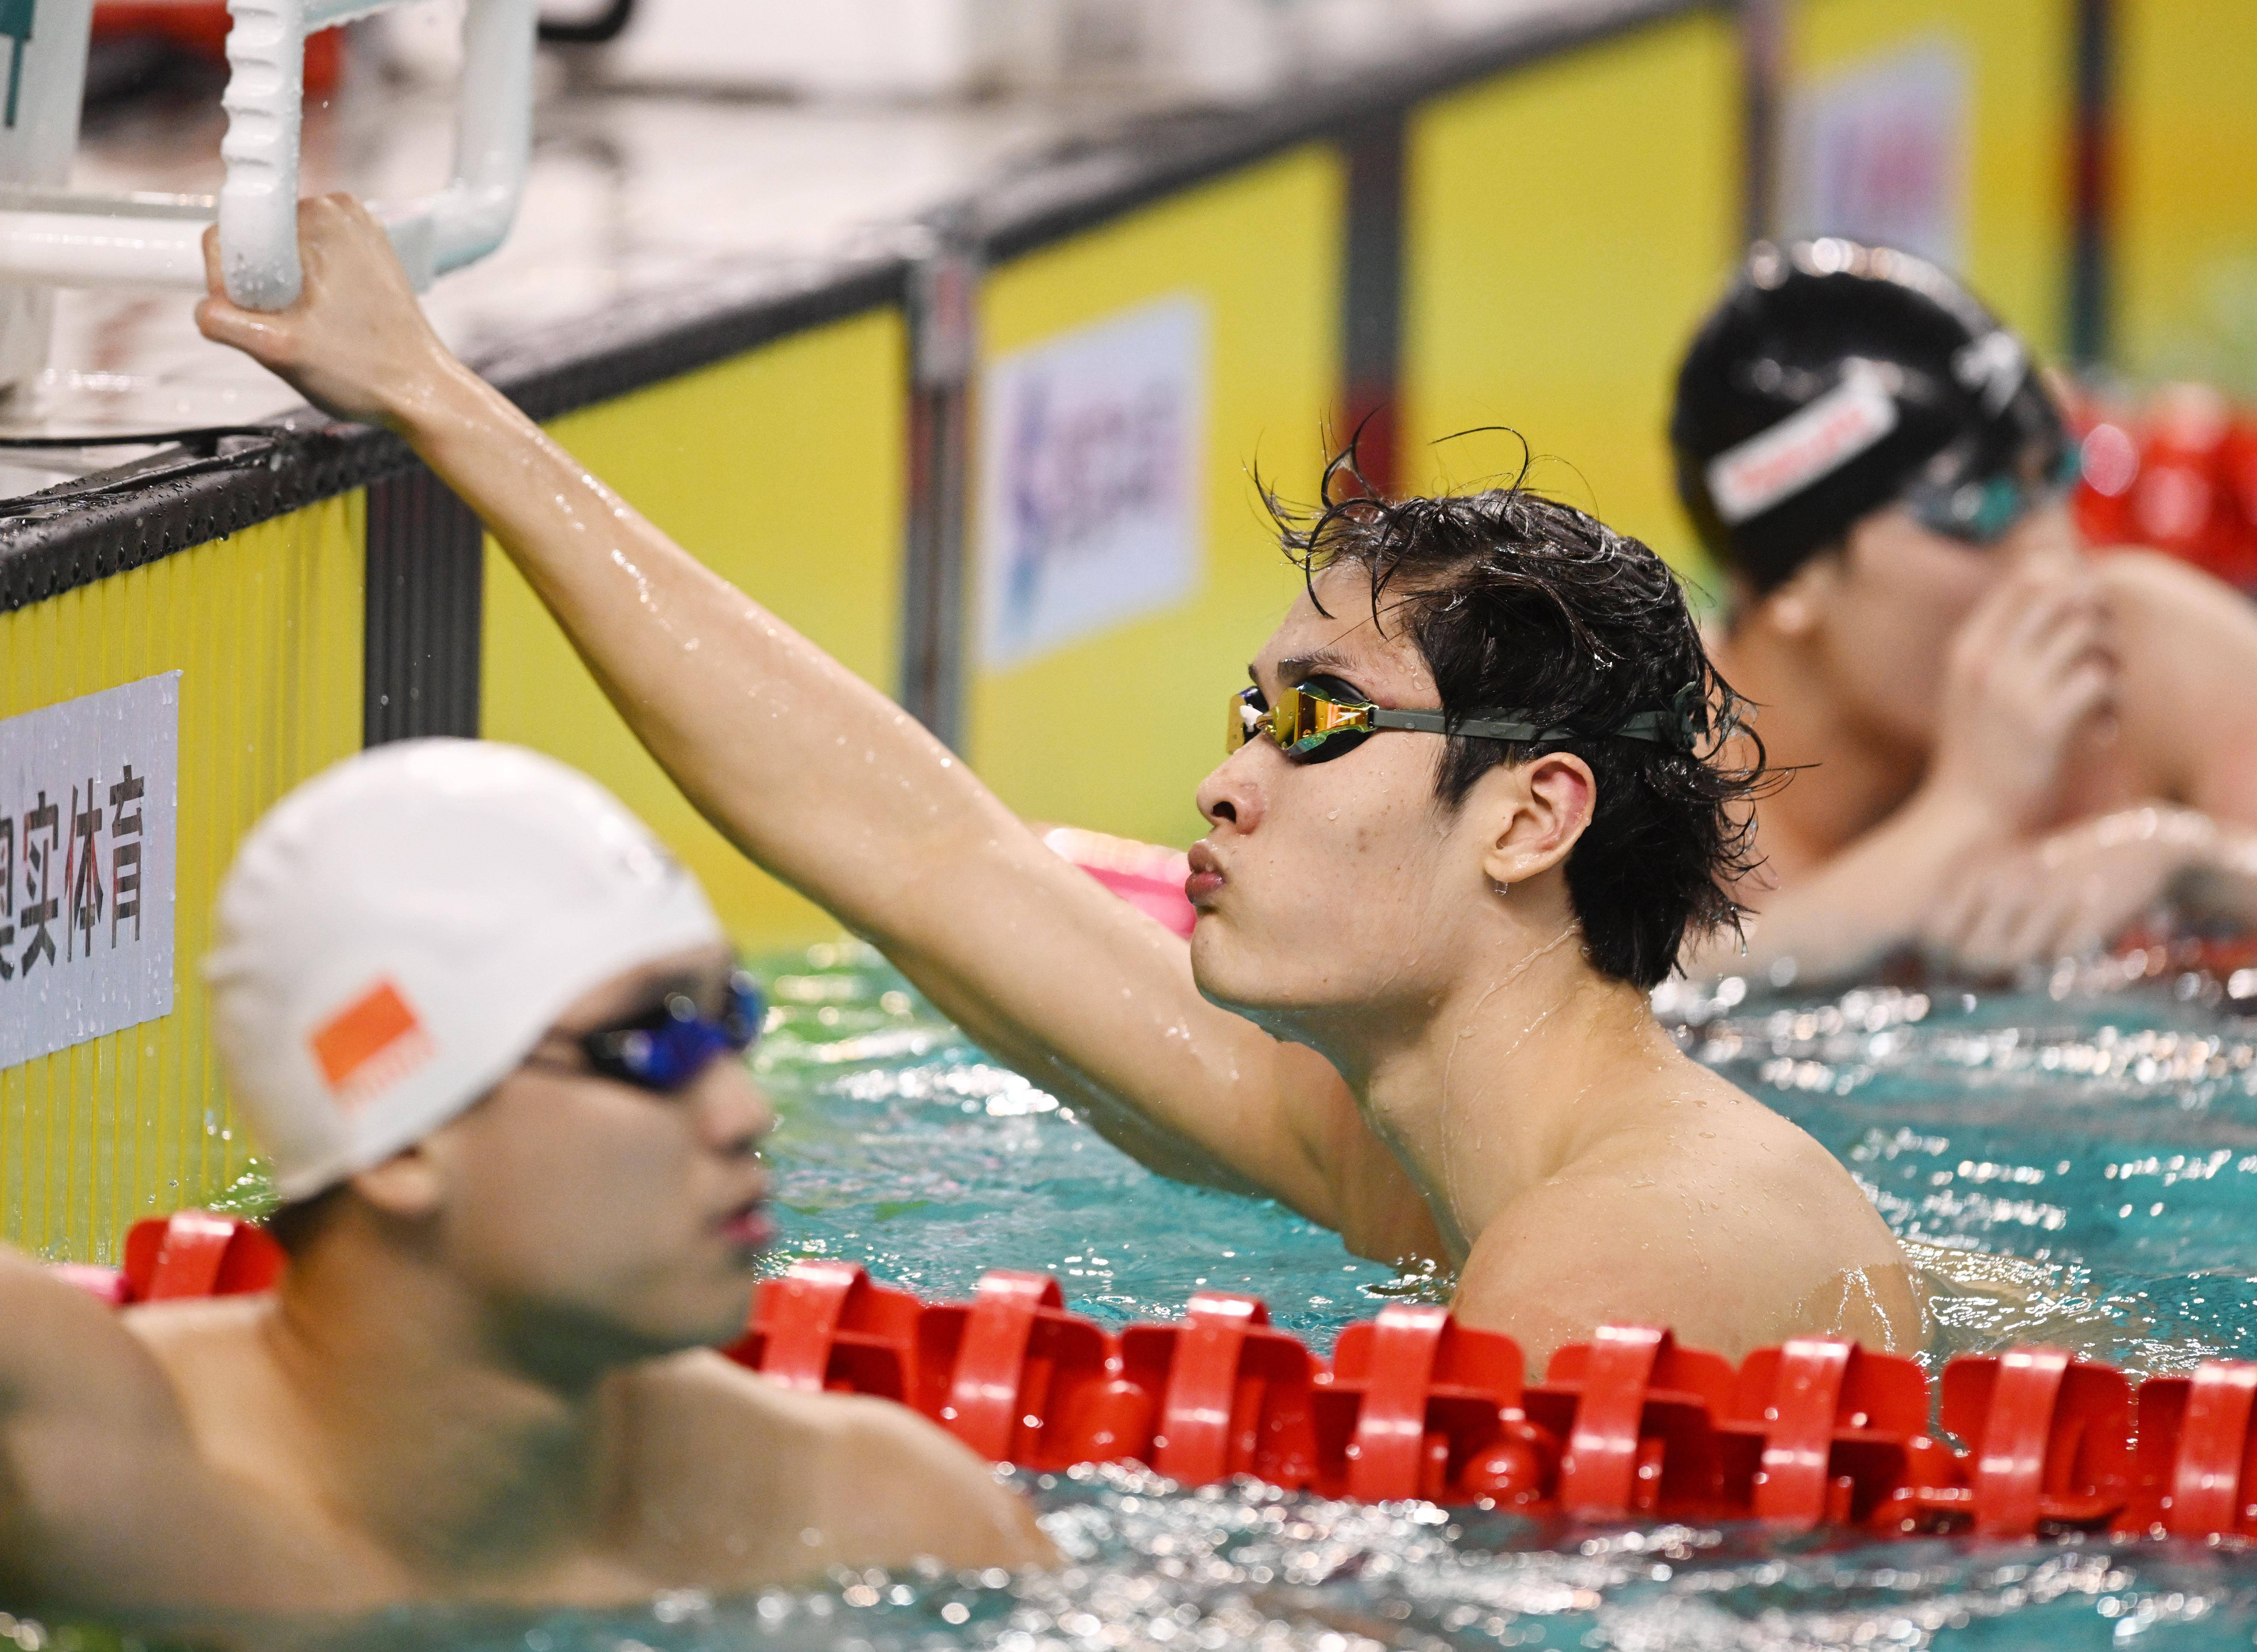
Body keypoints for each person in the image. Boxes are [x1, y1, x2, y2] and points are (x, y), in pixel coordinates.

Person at [194, 195, 1925, 1369]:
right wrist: (432, 393)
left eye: (1316, 722)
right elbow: (920, 852)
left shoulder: (1594, 1275)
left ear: (1530, 817)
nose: (1222, 784)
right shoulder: (1413, 1154)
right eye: (1248, 716)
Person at [0, 740, 1050, 1616]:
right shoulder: (109, 1470)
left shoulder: (882, 1522)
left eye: (728, 1020)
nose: (744, 1109)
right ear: (403, 1142)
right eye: (648, 1041)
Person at [1672, 238, 2257, 986]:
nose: (2059, 565)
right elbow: (1649, 1007)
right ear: (1790, 578)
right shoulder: (1659, 779)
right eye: (1979, 513)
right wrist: (1965, 816)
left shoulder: (2146, 663)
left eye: (2055, 481)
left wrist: (2203, 869)